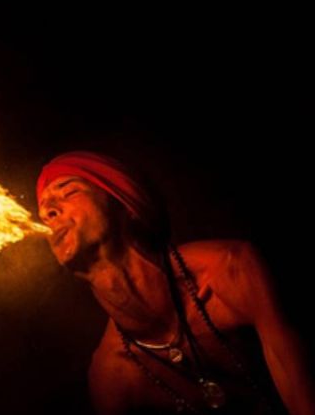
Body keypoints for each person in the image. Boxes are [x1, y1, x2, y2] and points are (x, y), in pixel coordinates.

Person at [35, 151, 314, 414]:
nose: (47, 211)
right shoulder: (113, 376)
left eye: (69, 191)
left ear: (125, 205)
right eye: (43, 209)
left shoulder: (231, 270)